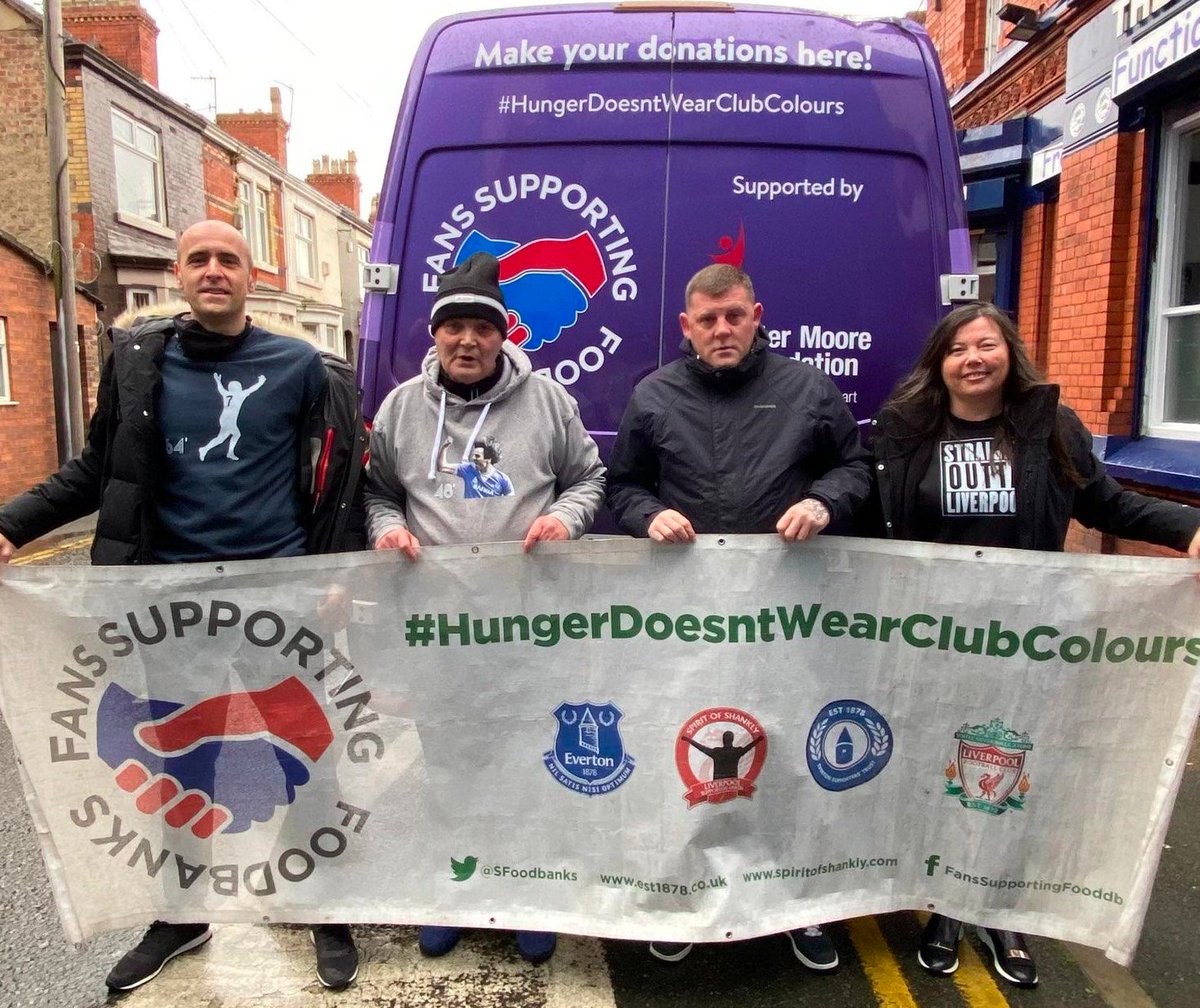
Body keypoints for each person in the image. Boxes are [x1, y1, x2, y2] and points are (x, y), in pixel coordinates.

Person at [0, 220, 367, 992]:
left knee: (306, 744)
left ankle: (326, 906)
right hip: (171, 596)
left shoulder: (301, 366)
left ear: (248, 275)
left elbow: (343, 475)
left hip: (274, 592)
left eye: (227, 259)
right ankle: (181, 914)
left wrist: (340, 569)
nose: (212, 270)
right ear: (179, 272)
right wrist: (12, 524)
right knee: (179, 757)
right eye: (198, 259)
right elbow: (99, 469)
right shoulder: (139, 360)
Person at [867, 301, 1200, 988]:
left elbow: (1108, 504)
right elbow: (867, 509)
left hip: (1024, 637)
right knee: (942, 766)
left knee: (1008, 769)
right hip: (933, 637)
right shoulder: (905, 431)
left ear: (1009, 353)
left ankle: (1001, 910)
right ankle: (946, 908)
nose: (973, 359)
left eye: (985, 344)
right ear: (940, 363)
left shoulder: (1050, 429)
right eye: (957, 349)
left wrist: (1186, 528)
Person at [606, 262, 871, 971]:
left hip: (784, 615)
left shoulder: (807, 389)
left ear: (757, 315)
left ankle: (794, 906)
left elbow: (856, 468)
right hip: (686, 618)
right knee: (684, 750)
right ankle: (685, 891)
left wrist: (825, 502)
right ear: (685, 327)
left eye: (733, 316)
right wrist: (647, 513)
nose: (721, 330)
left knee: (783, 752)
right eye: (707, 320)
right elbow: (621, 485)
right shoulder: (653, 395)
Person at [363, 251, 606, 964]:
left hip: (531, 620)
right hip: (439, 625)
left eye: (481, 327)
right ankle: (459, 887)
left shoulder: (550, 402)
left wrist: (566, 520)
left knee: (529, 757)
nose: (466, 340)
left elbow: (588, 478)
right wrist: (386, 529)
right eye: (452, 327)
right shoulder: (403, 407)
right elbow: (377, 492)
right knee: (450, 763)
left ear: (505, 336)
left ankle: (529, 890)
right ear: (433, 336)